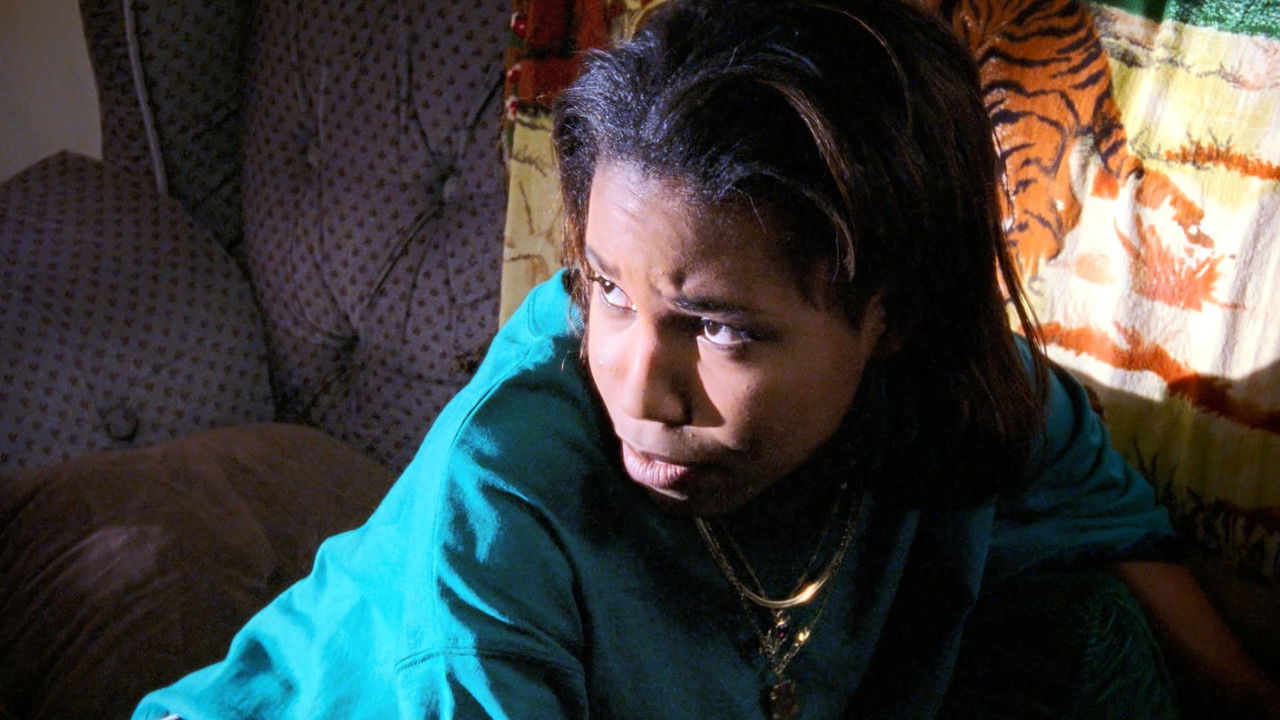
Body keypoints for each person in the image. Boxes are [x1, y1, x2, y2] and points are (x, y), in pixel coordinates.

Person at [134, 0, 1280, 718]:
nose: (637, 386)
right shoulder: (509, 482)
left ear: (892, 315)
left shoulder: (961, 395)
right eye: (606, 290)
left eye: (720, 328)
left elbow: (1102, 523)